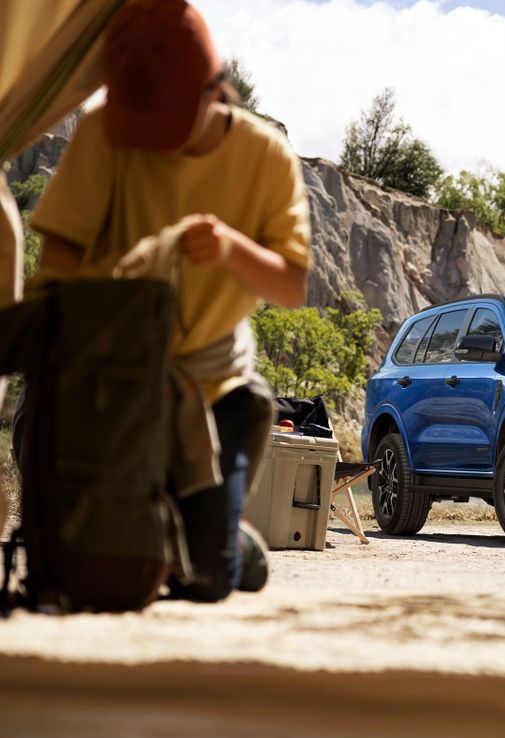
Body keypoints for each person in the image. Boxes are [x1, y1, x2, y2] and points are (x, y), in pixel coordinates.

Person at [29, 0, 310, 602]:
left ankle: (231, 537)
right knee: (95, 555)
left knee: (203, 581)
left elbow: (289, 286)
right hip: (119, 377)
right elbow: (58, 260)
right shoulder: (106, 127)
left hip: (212, 389)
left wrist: (232, 247)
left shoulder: (264, 157)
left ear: (215, 91)